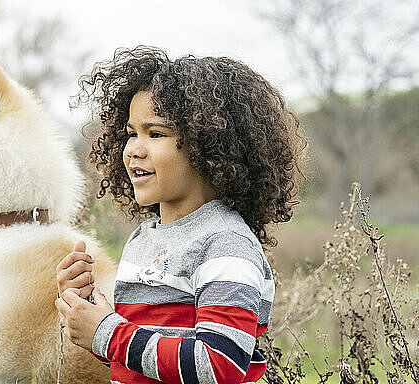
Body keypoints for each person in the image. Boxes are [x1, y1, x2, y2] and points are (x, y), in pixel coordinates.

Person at [55, 46, 307, 384]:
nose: (134, 149)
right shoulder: (143, 240)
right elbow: (140, 361)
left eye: (155, 133)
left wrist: (108, 332)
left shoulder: (225, 245)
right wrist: (86, 310)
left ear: (210, 146)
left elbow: (219, 365)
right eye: (132, 133)